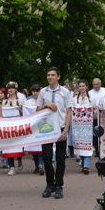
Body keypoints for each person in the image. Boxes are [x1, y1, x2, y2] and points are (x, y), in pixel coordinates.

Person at [36, 67, 73, 198]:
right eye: (48, 75)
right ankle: (49, 184)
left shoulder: (65, 92)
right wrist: (46, 105)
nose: (50, 77)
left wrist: (66, 130)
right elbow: (37, 109)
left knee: (60, 159)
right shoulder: (43, 92)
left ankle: (59, 185)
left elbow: (69, 111)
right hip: (47, 128)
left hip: (61, 126)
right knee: (47, 157)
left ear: (58, 77)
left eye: (53, 75)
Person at [3, 81, 26, 175]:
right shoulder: (4, 101)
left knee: (18, 145)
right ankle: (12, 167)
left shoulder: (20, 101)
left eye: (13, 88)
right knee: (9, 146)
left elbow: (24, 114)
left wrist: (21, 110)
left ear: (16, 90)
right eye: (9, 88)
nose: (11, 90)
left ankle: (19, 159)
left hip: (17, 126)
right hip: (8, 127)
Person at [72, 80, 94, 175]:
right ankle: (82, 161)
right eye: (80, 86)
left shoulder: (91, 99)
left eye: (83, 86)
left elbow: (94, 112)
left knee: (88, 144)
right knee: (79, 144)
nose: (81, 88)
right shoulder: (73, 99)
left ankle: (86, 166)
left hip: (88, 125)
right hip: (77, 125)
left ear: (86, 87)